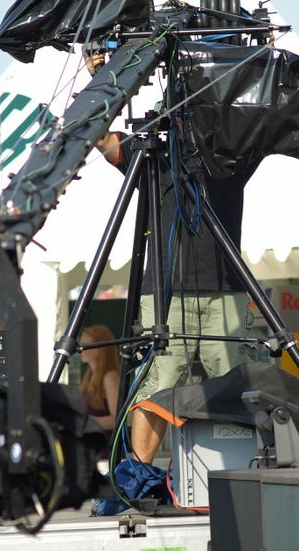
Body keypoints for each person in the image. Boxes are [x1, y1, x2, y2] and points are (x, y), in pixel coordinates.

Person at [95, 118, 257, 467]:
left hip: (226, 288)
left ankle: (244, 470)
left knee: (239, 386)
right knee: (158, 386)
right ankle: (138, 475)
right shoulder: (153, 150)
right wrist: (100, 100)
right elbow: (103, 139)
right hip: (165, 292)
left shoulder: (232, 146)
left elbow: (267, 124)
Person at [79, 325, 121, 434]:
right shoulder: (90, 375)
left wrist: (85, 421)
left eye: (84, 345)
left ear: (99, 348)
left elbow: (117, 420)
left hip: (104, 441)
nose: (80, 349)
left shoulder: (110, 377)